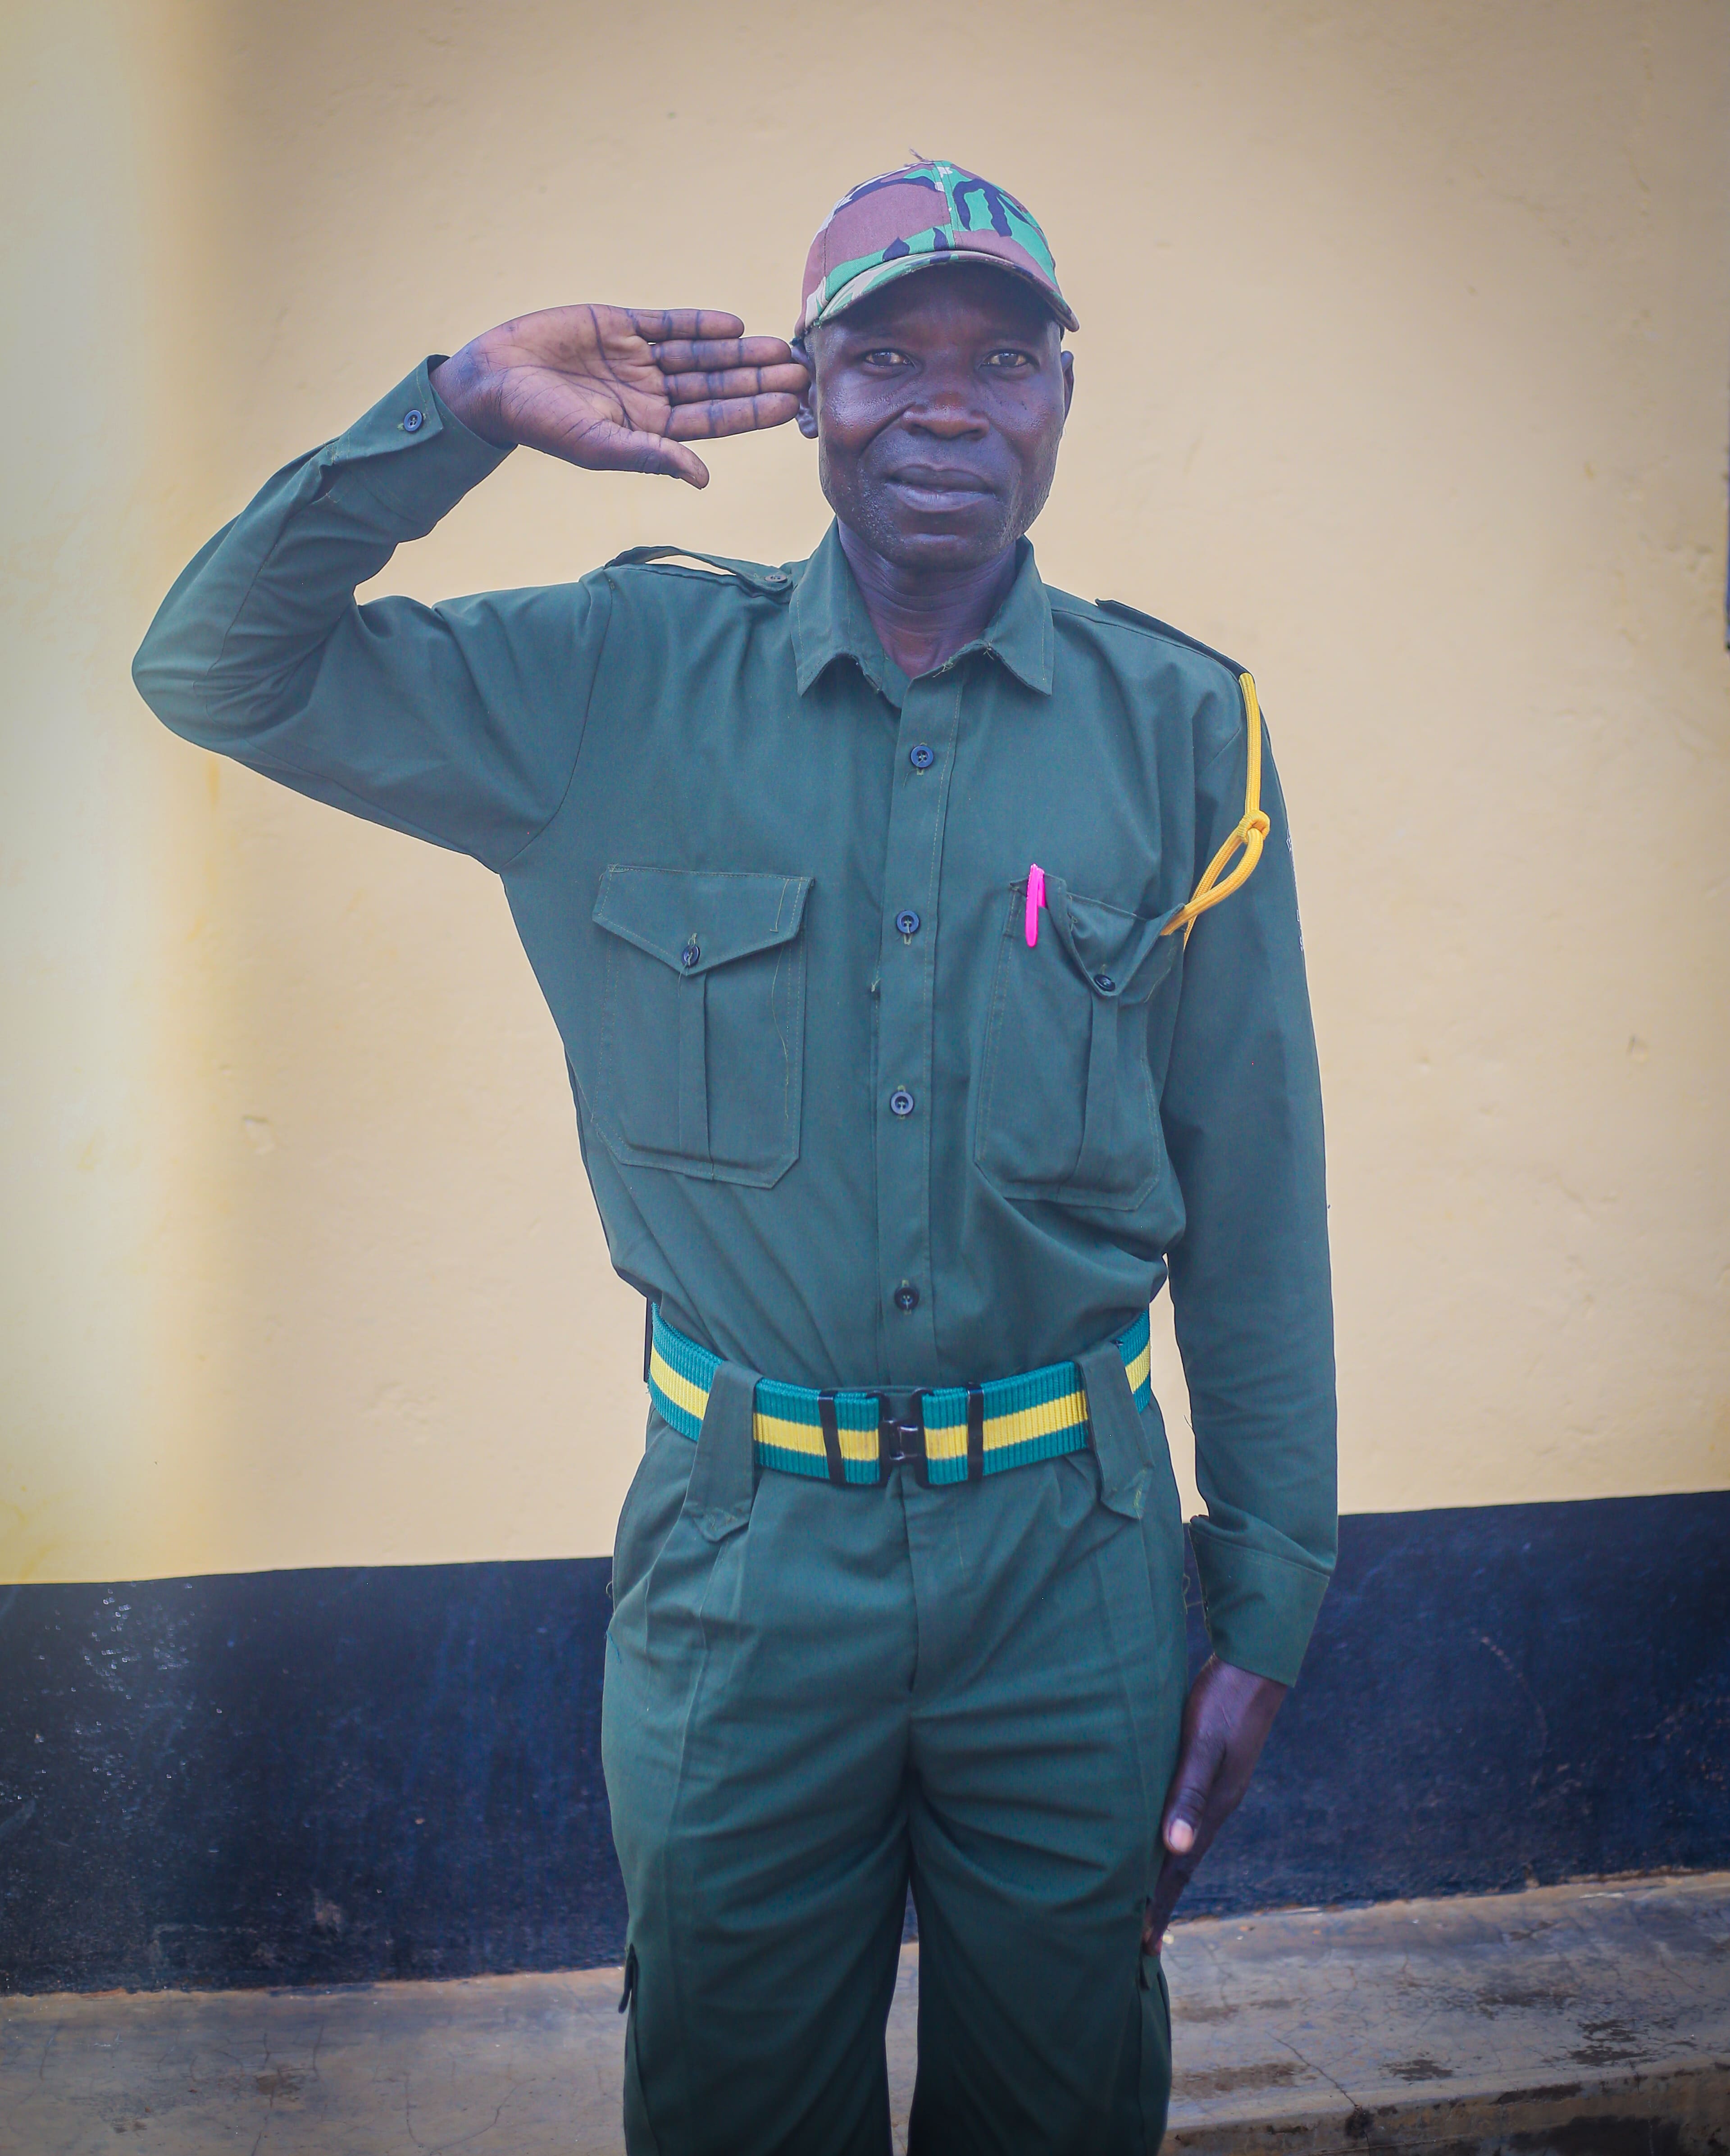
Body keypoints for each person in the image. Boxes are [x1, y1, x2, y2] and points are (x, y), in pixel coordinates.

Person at [135, 158, 1336, 2155]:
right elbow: (215, 669)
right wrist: (450, 412)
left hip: (1079, 1563)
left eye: (1003, 359)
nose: (945, 406)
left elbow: (1257, 1184)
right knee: (734, 2112)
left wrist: (1272, 1592)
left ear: (1061, 401)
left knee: (1058, 2111)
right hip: (743, 1563)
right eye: (884, 355)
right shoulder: (609, 686)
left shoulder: (1182, 726)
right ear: (805, 395)